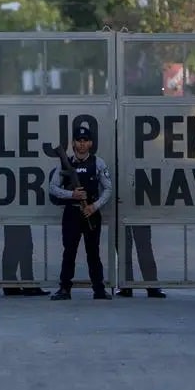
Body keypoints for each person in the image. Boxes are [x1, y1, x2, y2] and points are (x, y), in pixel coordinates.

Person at [48, 124, 112, 300]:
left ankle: (99, 289)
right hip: (72, 214)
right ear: (73, 143)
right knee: (69, 251)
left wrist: (94, 206)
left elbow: (108, 189)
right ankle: (64, 289)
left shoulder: (98, 163)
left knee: (93, 252)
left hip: (91, 213)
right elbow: (53, 187)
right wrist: (72, 194)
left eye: (85, 141)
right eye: (79, 140)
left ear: (90, 143)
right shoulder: (66, 163)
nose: (82, 144)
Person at [117, 225, 166, 298]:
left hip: (138, 215)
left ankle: (151, 284)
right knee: (124, 248)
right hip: (120, 215)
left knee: (144, 247)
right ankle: (126, 285)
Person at [1, 225, 49, 296]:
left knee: (14, 245)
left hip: (13, 218)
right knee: (22, 245)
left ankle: (11, 284)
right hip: (17, 219)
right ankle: (24, 284)